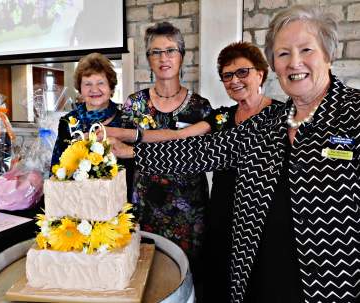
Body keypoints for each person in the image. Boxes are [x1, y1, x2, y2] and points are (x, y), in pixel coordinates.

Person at [110, 5, 360, 303]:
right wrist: (134, 152)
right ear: (274, 65)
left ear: (328, 55)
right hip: (257, 276)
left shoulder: (353, 112)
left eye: (306, 50)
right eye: (283, 54)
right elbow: (201, 151)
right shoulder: (271, 122)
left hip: (329, 284)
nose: (295, 63)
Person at [104, 21, 212, 290]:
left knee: (187, 276)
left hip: (188, 210)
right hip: (146, 206)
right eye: (156, 52)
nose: (164, 58)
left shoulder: (200, 106)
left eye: (170, 50)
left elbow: (197, 154)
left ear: (182, 56)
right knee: (147, 276)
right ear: (148, 59)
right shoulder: (134, 103)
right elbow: (121, 152)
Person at [202, 41, 282, 302]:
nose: (234, 80)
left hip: (261, 217)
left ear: (260, 73)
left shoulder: (281, 116)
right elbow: (181, 137)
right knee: (219, 279)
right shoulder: (222, 117)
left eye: (242, 72)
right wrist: (127, 139)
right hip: (222, 211)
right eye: (227, 75)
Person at [50, 52, 133, 200]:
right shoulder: (68, 122)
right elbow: (57, 167)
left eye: (101, 83)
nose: (94, 90)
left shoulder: (127, 119)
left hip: (118, 202)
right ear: (80, 90)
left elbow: (136, 164)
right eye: (87, 84)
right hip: (77, 203)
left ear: (111, 88)